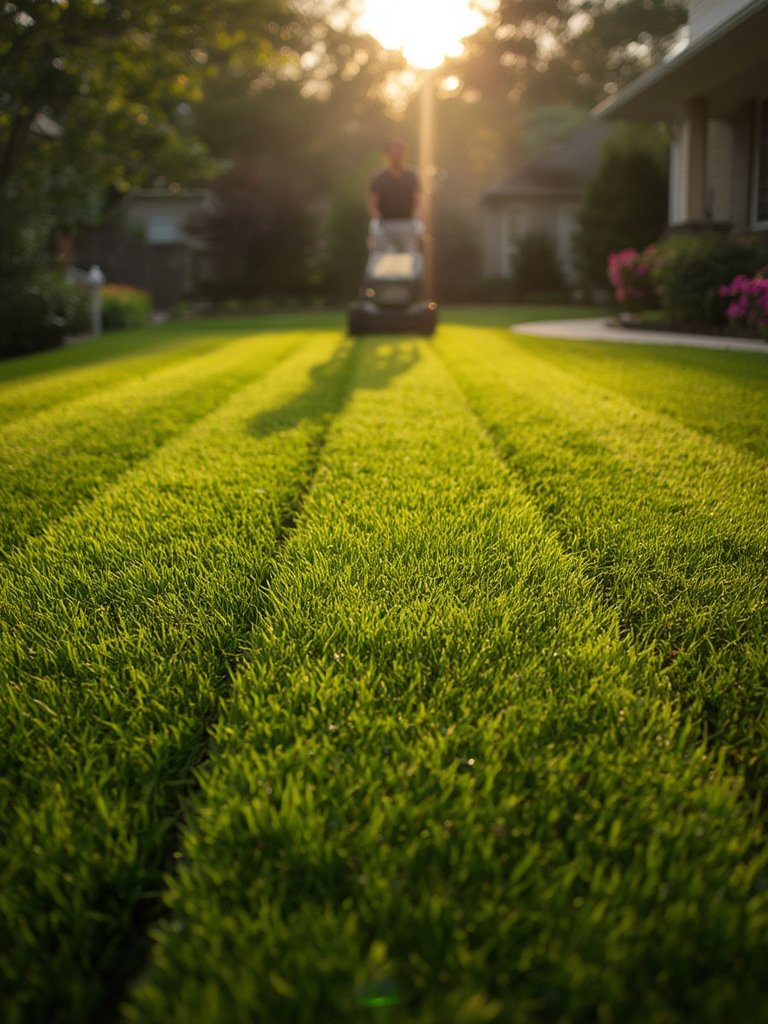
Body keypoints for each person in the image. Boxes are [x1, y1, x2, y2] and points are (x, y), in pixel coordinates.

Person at [368, 140, 422, 253]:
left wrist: (417, 217)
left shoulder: (412, 175)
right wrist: (376, 221)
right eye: (393, 153)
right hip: (385, 225)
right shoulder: (379, 177)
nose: (396, 156)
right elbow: (373, 202)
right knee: (383, 259)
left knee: (410, 258)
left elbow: (418, 199)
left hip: (407, 224)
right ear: (387, 155)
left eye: (399, 153)